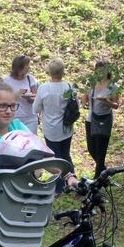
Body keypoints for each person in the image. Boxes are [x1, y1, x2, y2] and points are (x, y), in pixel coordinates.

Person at [33, 58, 78, 193]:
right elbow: (77, 106)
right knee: (65, 154)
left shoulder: (44, 88)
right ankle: (73, 182)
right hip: (66, 127)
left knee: (55, 157)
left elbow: (35, 108)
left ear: (49, 72)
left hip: (50, 128)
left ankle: (59, 186)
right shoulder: (69, 87)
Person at [81, 59, 120, 178]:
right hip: (91, 119)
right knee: (91, 148)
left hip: (105, 119)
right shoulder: (92, 83)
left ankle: (98, 177)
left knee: (101, 150)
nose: (101, 72)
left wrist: (106, 100)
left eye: (103, 69)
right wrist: (85, 94)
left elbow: (116, 105)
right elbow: (83, 102)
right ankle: (104, 169)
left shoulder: (113, 85)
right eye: (98, 69)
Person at [3, 55, 39, 133]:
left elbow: (36, 97)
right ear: (19, 67)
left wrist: (29, 97)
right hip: (14, 117)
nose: (28, 67)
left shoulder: (30, 78)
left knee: (30, 141)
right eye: (27, 65)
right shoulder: (6, 80)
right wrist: (17, 94)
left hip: (30, 117)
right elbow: (3, 98)